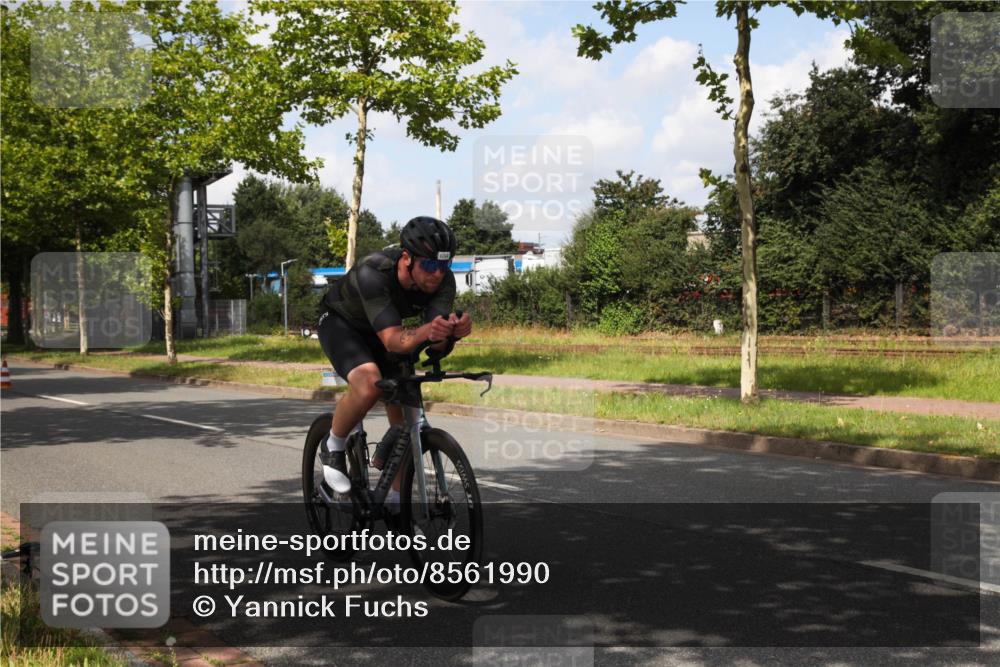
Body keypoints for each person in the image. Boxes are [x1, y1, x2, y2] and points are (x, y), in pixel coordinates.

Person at [316, 216, 472, 510]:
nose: (437, 274)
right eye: (428, 265)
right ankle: (333, 444)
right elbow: (392, 341)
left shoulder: (443, 282)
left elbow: (433, 344)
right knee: (368, 383)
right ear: (406, 259)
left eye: (443, 266)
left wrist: (451, 333)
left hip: (390, 331)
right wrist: (427, 331)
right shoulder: (373, 271)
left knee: (406, 418)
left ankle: (396, 505)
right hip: (343, 325)